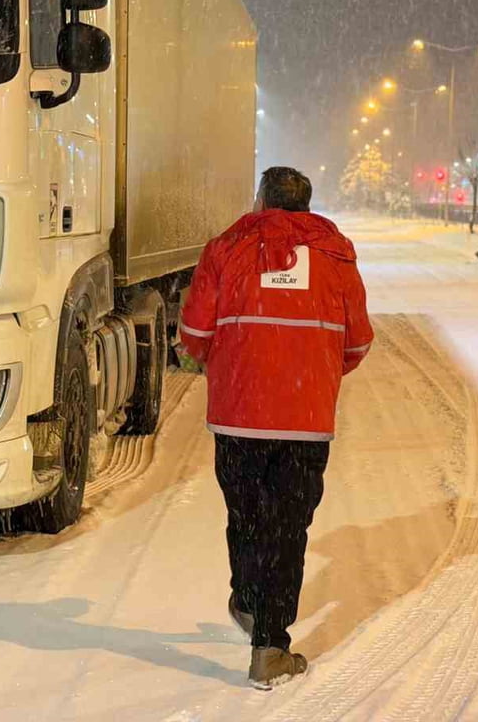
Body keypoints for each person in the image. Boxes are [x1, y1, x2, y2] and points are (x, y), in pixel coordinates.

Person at [180, 166, 374, 690]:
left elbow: (195, 332)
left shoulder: (226, 249)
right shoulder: (336, 257)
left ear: (263, 201)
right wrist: (310, 371)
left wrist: (228, 365)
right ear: (306, 207)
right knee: (288, 530)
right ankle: (270, 646)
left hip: (239, 415)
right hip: (304, 421)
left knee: (246, 515)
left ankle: (247, 600)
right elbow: (356, 342)